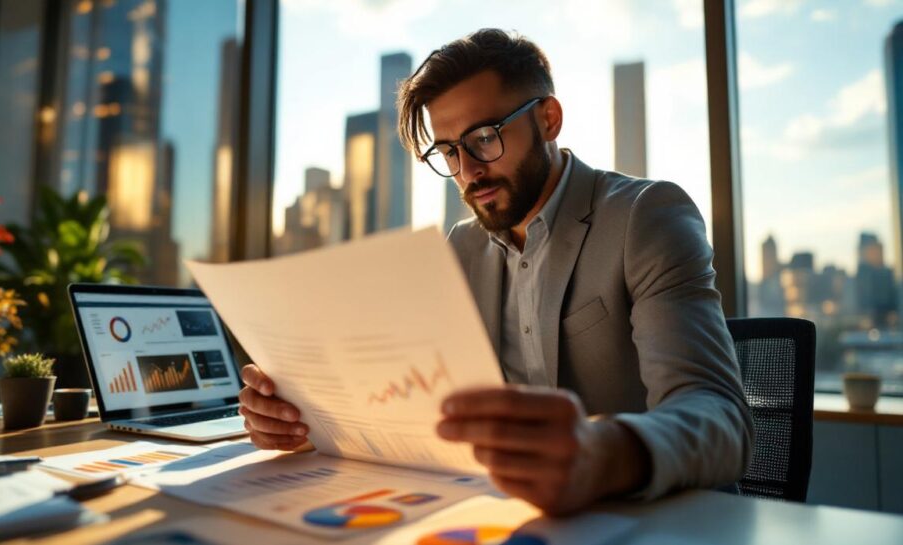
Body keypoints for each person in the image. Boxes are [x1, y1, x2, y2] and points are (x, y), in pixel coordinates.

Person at [238, 28, 753, 515]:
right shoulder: (461, 246)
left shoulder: (645, 215)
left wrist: (604, 452)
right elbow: (415, 406)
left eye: (483, 138)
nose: (468, 170)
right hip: (510, 515)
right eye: (448, 151)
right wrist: (304, 421)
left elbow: (723, 419)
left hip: (657, 519)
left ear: (548, 119)